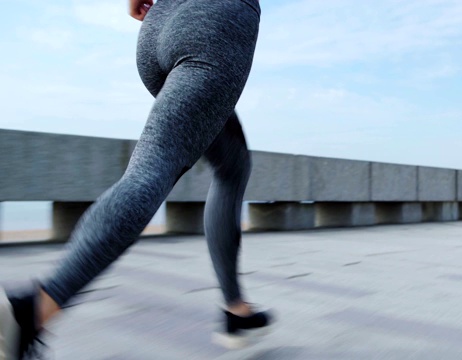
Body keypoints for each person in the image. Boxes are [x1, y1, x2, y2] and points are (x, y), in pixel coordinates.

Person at [0, 0, 272, 358]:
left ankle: (236, 310)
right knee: (153, 168)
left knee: (233, 165)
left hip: (157, 29)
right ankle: (34, 308)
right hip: (215, 22)